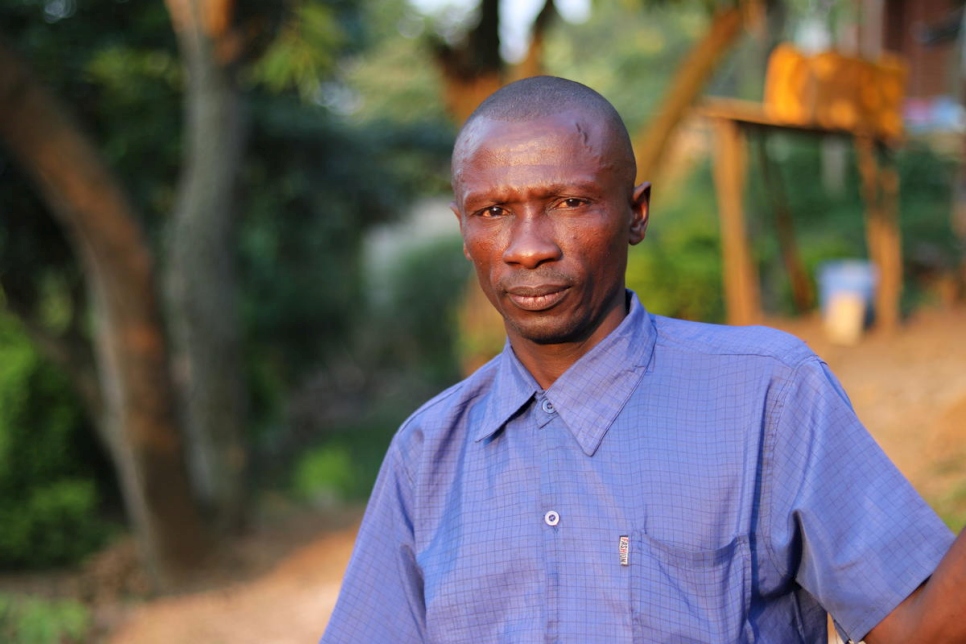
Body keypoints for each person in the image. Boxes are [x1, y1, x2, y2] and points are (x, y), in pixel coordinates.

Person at [322, 76, 965, 643]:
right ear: (464, 230)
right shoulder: (427, 454)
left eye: (569, 203)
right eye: (493, 212)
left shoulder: (769, 396)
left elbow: (919, 630)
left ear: (636, 213)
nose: (528, 248)